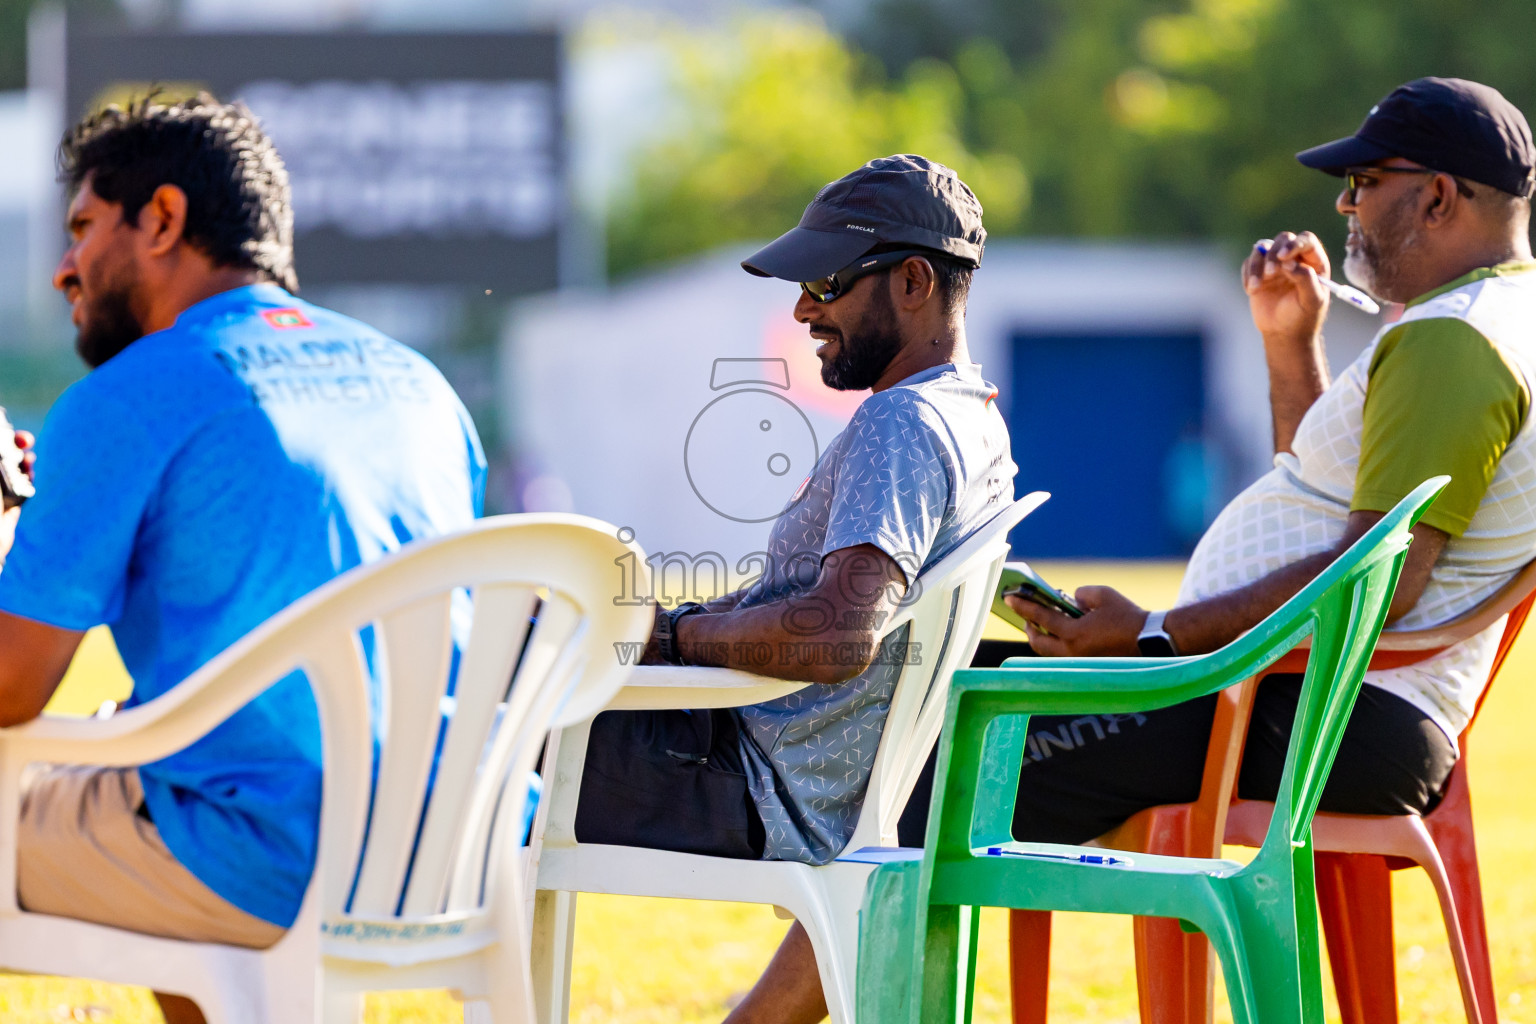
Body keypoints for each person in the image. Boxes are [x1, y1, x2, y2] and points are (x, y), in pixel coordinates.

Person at [0, 96, 484, 1022]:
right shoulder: (422, 387)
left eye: (84, 228)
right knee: (165, 771)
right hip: (454, 844)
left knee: (174, 793)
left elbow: (11, 687)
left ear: (163, 218)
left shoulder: (132, 392)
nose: (65, 267)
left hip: (256, 862)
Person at [982, 76, 1536, 847]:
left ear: (1438, 196)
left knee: (954, 720)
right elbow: (1332, 499)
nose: (1344, 204)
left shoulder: (1454, 339)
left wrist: (1156, 633)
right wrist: (1290, 341)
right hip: (1316, 698)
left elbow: (1378, 579)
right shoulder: (1489, 319)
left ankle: (858, 930)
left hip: (1324, 709)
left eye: (1364, 181)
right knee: (962, 685)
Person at [570, 154, 1015, 1023]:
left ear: (914, 282)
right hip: (799, 775)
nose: (805, 310)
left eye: (826, 282)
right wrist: (679, 624)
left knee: (468, 726)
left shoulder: (902, 422)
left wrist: (673, 640)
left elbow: (836, 633)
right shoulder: (973, 415)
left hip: (748, 780)